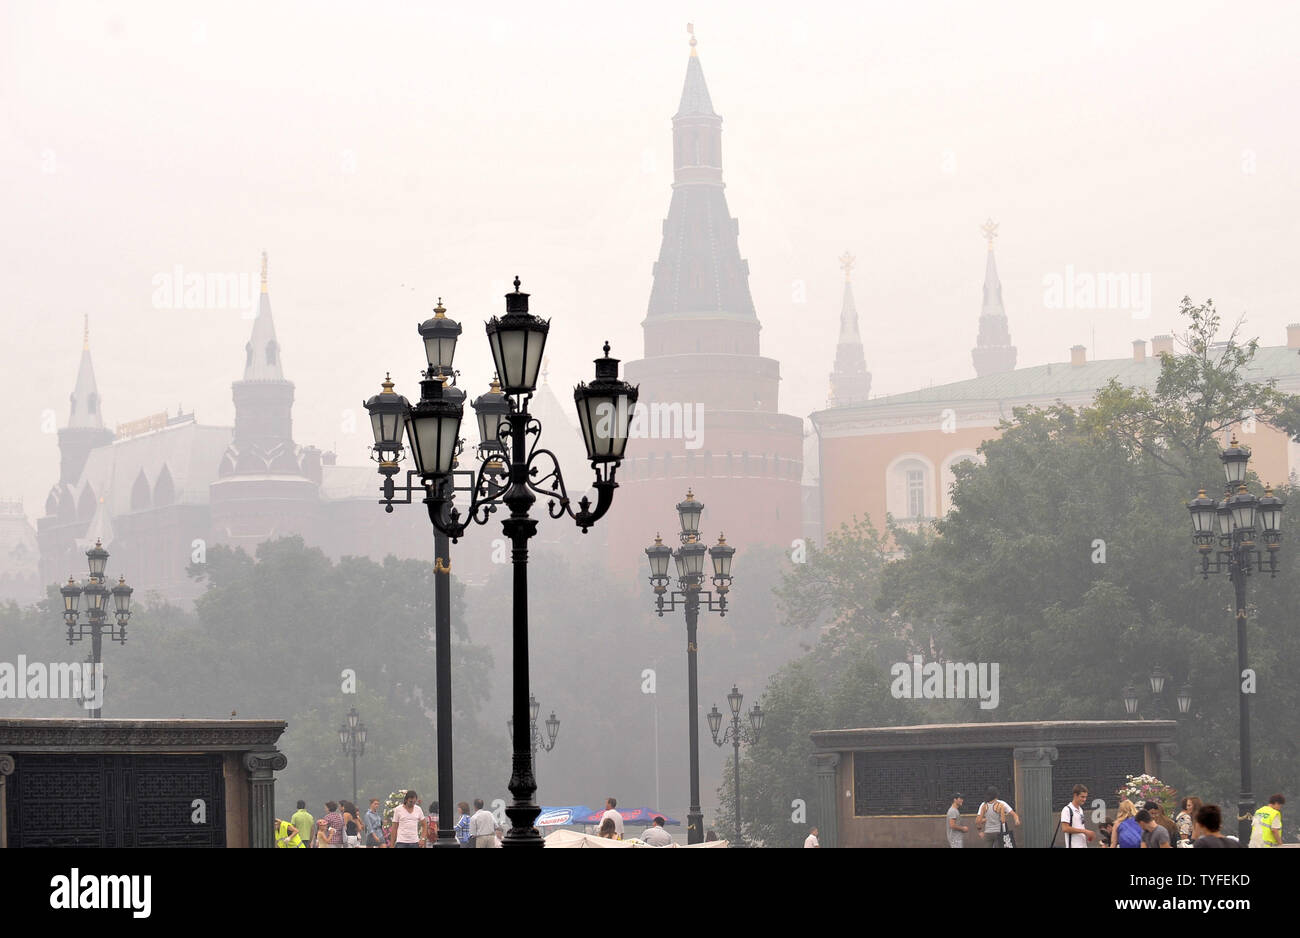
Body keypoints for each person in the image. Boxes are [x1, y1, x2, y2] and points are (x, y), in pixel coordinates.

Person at [1060, 784, 1094, 848]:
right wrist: (1085, 831)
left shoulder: (1080, 810)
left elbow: (1080, 827)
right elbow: (1065, 828)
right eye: (1082, 797)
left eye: (1085, 797)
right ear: (1075, 795)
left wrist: (1087, 835)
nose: (1084, 799)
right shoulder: (1067, 810)